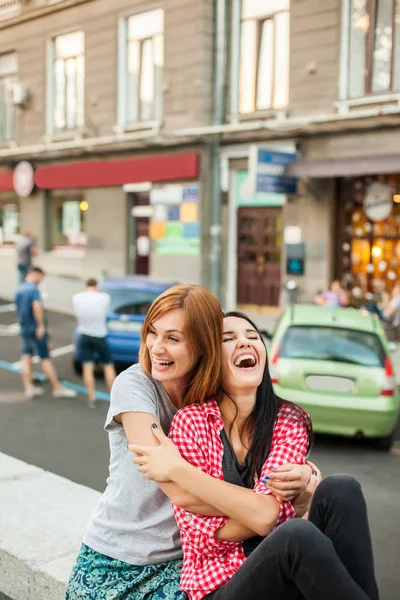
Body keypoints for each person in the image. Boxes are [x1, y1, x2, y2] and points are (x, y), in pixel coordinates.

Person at [66, 285, 313, 600]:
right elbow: (181, 491)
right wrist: (270, 507)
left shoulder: (213, 394)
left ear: (202, 346)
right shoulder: (136, 384)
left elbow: (249, 459)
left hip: (183, 562)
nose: (156, 348)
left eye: (173, 338)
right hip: (119, 557)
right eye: (152, 333)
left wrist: (303, 475)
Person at [131, 311, 379, 600]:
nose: (245, 343)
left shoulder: (288, 421)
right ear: (210, 358)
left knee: (342, 488)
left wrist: (177, 469)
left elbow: (266, 515)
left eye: (253, 336)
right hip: (219, 588)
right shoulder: (190, 423)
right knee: (296, 535)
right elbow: (202, 537)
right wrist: (267, 510)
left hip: (283, 569)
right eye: (229, 338)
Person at [15, 266, 77, 400]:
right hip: (35, 329)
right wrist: (41, 326)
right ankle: (57, 387)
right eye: (41, 278)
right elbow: (37, 307)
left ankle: (29, 387)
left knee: (26, 356)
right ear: (36, 274)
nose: (41, 281)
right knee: (45, 358)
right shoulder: (33, 289)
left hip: (25, 328)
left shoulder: (20, 288)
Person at [73, 278, 116, 408]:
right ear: (97, 286)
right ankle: (114, 398)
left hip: (84, 334)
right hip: (99, 334)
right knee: (108, 365)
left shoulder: (77, 297)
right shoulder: (104, 297)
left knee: (87, 366)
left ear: (85, 285)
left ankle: (92, 397)